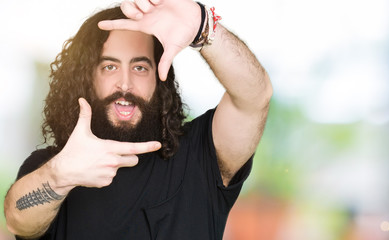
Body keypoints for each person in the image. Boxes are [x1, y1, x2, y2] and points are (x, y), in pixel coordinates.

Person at [4, 0, 272, 239]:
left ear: (159, 78)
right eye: (109, 66)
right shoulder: (52, 166)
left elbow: (255, 97)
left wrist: (203, 26)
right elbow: (18, 222)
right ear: (88, 79)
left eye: (140, 67)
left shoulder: (201, 154)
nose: (125, 83)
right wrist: (60, 175)